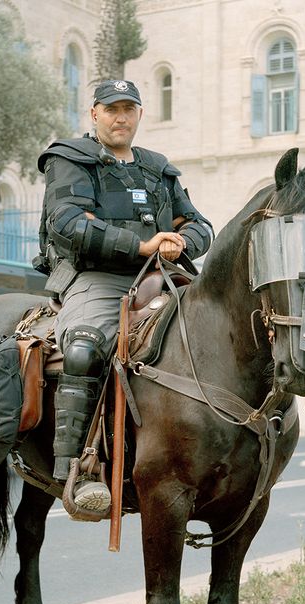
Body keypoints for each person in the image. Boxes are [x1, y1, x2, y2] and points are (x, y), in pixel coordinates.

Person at [36, 79, 212, 514]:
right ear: (94, 113)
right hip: (96, 278)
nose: (120, 117)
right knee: (82, 349)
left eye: (128, 109)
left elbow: (200, 225)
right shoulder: (71, 159)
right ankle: (77, 470)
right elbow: (68, 224)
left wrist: (180, 243)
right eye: (111, 109)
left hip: (162, 278)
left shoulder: (157, 168)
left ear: (139, 115)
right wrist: (142, 244)